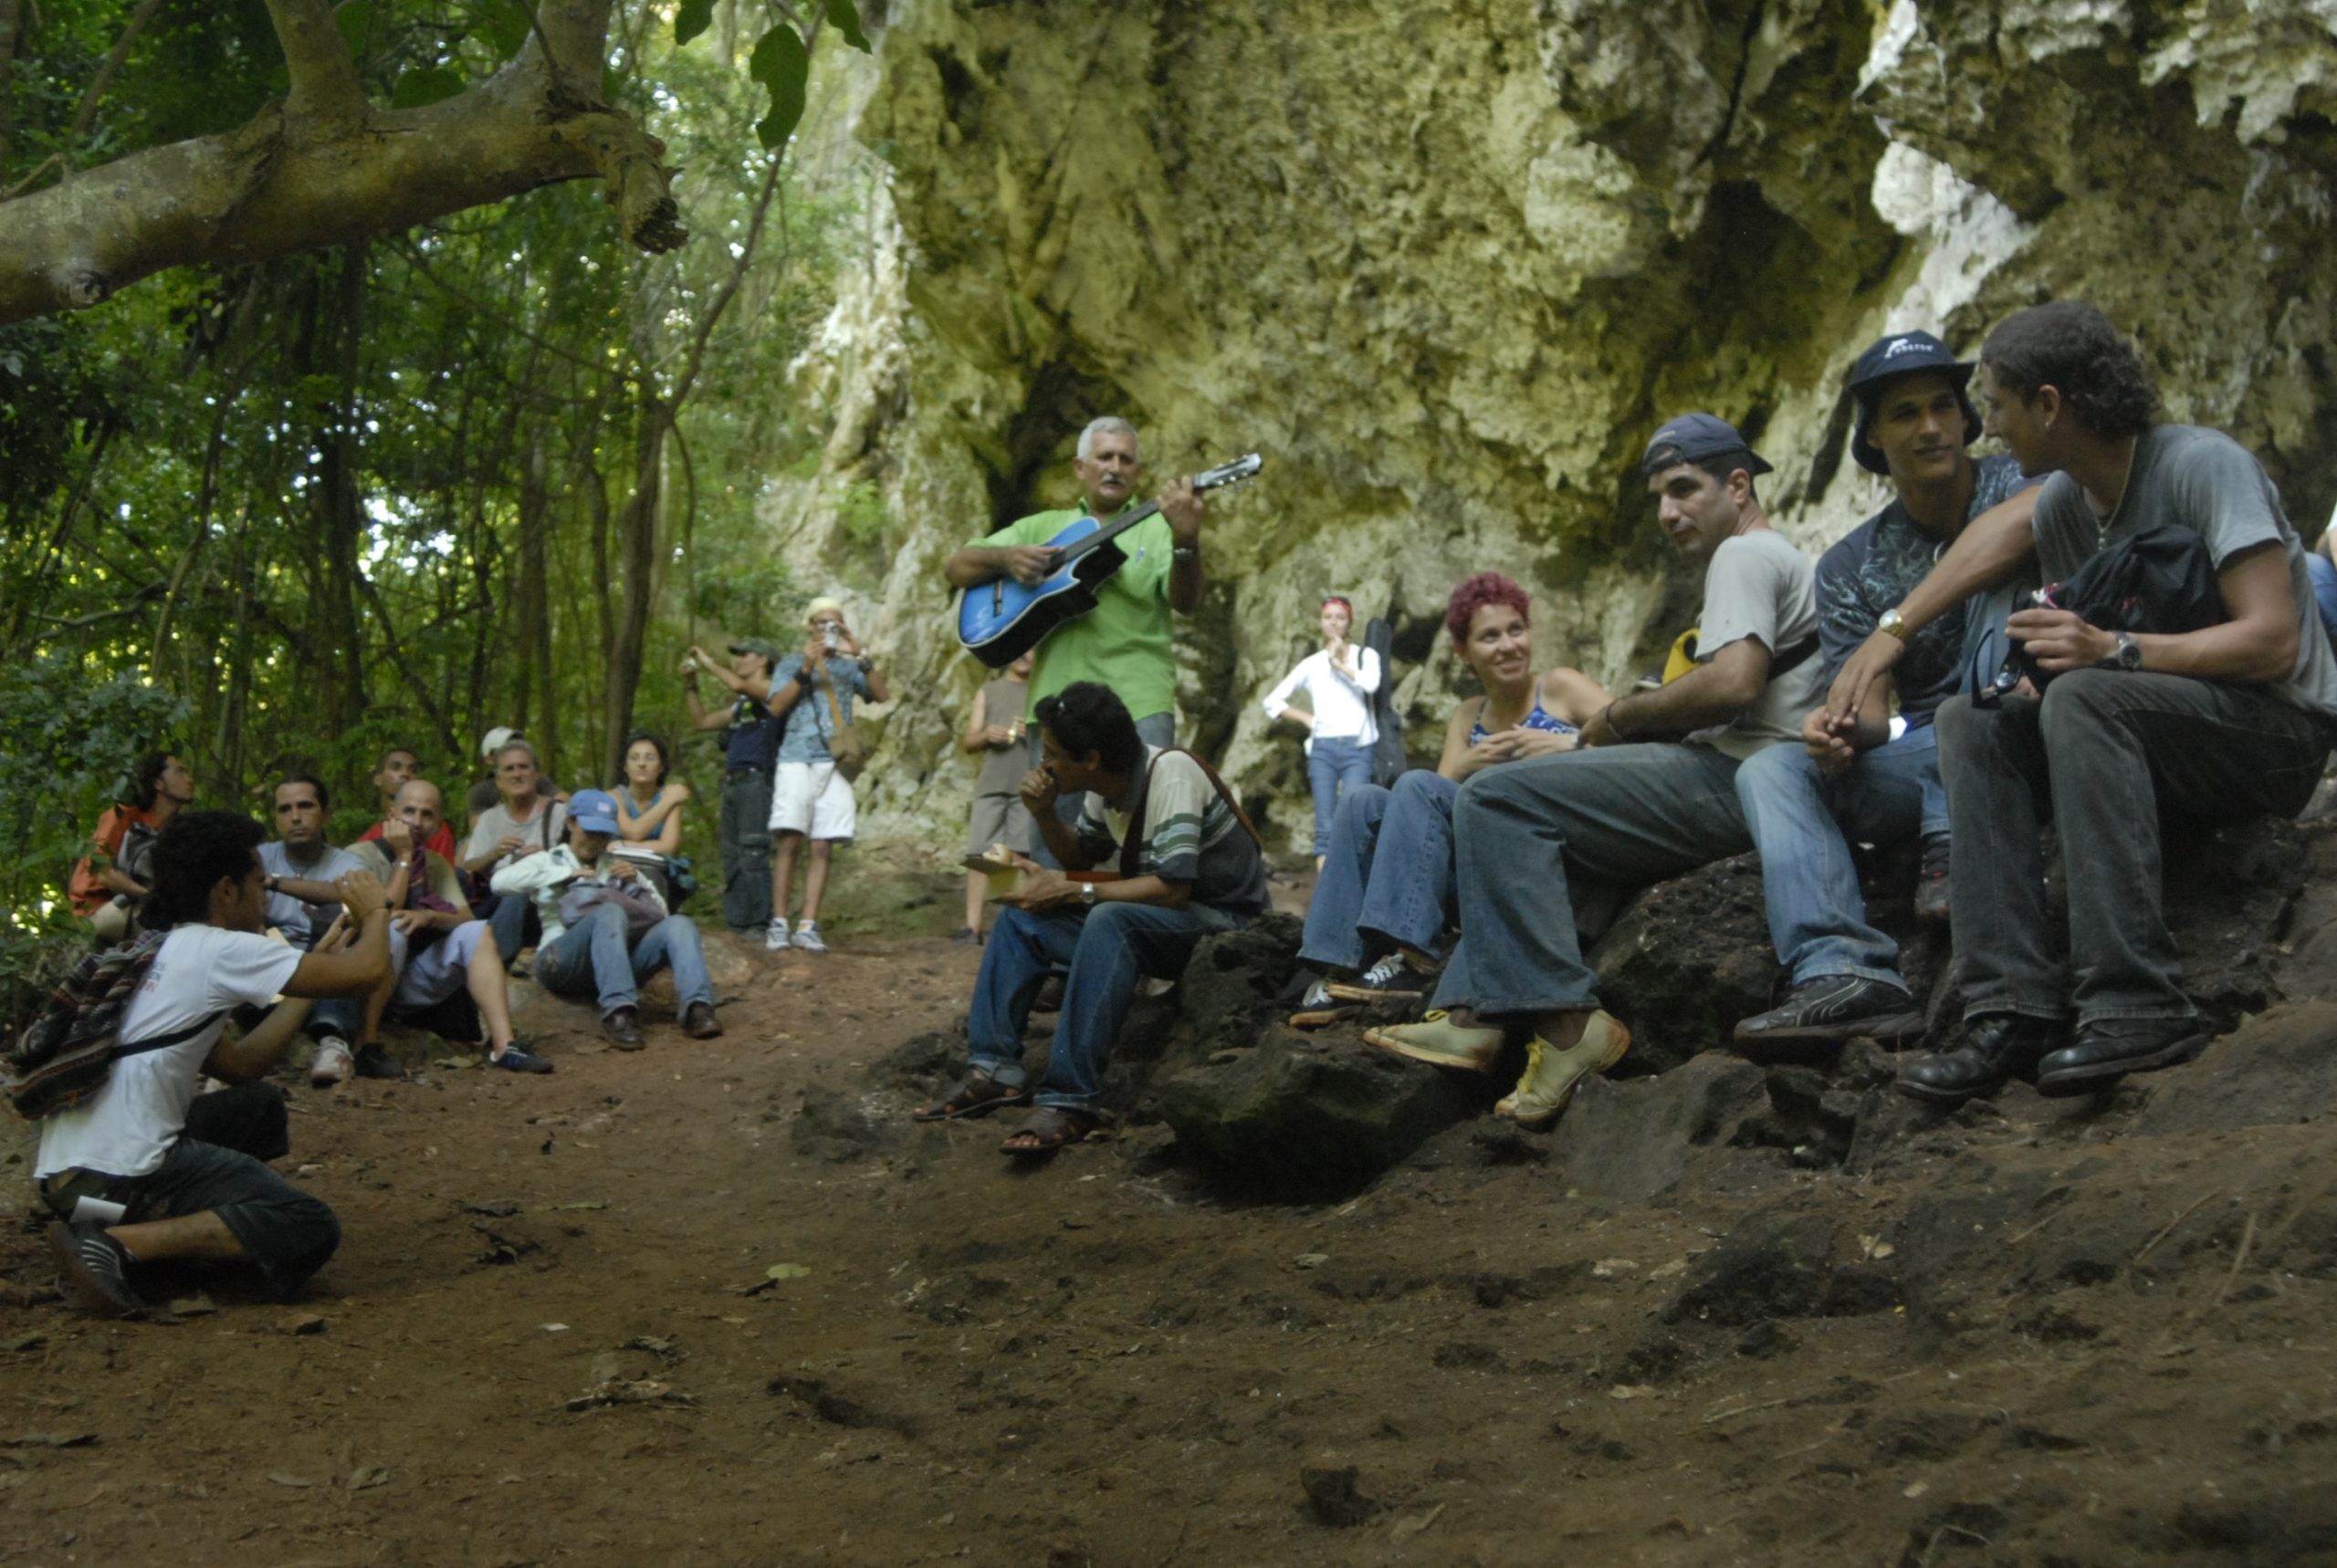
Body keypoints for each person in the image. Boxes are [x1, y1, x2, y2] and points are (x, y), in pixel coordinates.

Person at [1823, 303, 2337, 1103]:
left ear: (2050, 405)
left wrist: (2113, 652)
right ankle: (2008, 1010)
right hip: (2160, 732)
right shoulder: (2067, 506)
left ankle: (2136, 1002)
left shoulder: (2205, 466)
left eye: (1994, 403)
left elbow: (2274, 643)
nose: (1985, 428)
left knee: (2088, 699)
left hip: (2276, 734)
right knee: (1972, 720)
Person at [1367, 414, 1826, 1126]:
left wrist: (1618, 721)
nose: (1668, 513)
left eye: (1683, 490)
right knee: (1564, 840)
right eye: (1659, 499)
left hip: (1743, 779)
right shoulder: (1767, 557)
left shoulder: (1744, 556)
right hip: (1751, 774)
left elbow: (1733, 684)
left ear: (1739, 485)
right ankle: (1472, 1013)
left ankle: (1564, 1029)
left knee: (1495, 798)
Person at [1727, 331, 2041, 1051]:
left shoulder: (2020, 481)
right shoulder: (1849, 565)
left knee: (1992, 641)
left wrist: (1893, 630)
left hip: (2031, 725)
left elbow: (2021, 529)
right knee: (1772, 768)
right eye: (1905, 413)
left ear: (1967, 419)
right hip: (1931, 749)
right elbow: (1871, 715)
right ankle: (1842, 970)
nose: (1930, 426)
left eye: (1942, 407)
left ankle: (1950, 843)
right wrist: (1837, 730)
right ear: (1873, 435)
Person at [37, 810, 393, 1316]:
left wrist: (317, 966)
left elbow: (242, 1065)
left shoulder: (157, 949)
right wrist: (376, 910)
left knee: (257, 1106)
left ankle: (107, 1234)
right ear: (226, 891)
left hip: (71, 1185)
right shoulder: (220, 949)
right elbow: (369, 972)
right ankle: (117, 1247)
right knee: (305, 1223)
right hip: (121, 1178)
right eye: (256, 881)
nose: (265, 893)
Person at [915, 682, 1269, 1155]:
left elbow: (1173, 887)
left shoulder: (1172, 773)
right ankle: (995, 1069)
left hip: (1225, 929)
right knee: (1024, 921)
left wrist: (1077, 890)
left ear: (1092, 759)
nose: (1044, 764)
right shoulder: (1103, 789)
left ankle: (1070, 1099)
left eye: (1055, 754)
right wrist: (1043, 817)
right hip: (1163, 922)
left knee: (1110, 919)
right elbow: (1082, 852)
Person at [1294, 573, 1606, 1017]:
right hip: (1480, 868)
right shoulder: (1468, 716)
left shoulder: (1560, 687)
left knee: (1418, 784)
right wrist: (1465, 766)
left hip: (1549, 863)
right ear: (1464, 651)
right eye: (1490, 636)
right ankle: (1336, 963)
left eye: (1516, 630)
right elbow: (1423, 820)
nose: (1508, 646)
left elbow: (1636, 746)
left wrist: (1568, 744)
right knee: (1363, 800)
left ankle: (1413, 957)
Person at [943, 417, 1209, 854]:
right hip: (1055, 710)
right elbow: (957, 567)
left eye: (1126, 460)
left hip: (1139, 702)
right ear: (1079, 467)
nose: (1115, 467)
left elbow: (1186, 600)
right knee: (1053, 844)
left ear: (1138, 474)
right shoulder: (1041, 527)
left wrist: (1187, 541)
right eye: (1105, 457)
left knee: (1144, 838)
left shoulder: (1158, 527)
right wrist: (1008, 558)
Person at [489, 789, 723, 1048]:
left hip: (619, 962)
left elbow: (662, 916)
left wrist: (636, 882)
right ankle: (619, 1015)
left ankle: (698, 1009)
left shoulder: (616, 865)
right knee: (609, 911)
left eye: (602, 833)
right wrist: (565, 874)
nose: (595, 839)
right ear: (571, 823)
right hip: (561, 961)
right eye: (590, 830)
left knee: (680, 924)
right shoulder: (547, 860)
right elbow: (498, 883)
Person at [351, 780, 546, 1074]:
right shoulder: (361, 855)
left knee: (478, 931)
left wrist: (430, 917)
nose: (417, 822)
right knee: (394, 926)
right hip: (364, 978)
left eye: (427, 815)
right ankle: (367, 1046)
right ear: (390, 813)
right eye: (409, 811)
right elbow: (378, 912)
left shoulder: (435, 863)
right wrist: (404, 857)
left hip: (410, 981)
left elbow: (465, 915)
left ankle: (505, 1046)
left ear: (438, 823)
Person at [760, 598, 889, 955]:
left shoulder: (849, 668)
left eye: (834, 623)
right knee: (790, 840)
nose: (826, 629)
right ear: (809, 627)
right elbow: (775, 706)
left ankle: (808, 925)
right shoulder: (790, 663)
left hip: (834, 762)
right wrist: (806, 667)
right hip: (796, 759)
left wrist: (861, 653)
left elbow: (881, 694)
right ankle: (779, 922)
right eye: (820, 622)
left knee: (823, 844)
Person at [253, 774, 370, 1087]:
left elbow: (354, 896)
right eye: (285, 809)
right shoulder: (260, 857)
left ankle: (332, 1038)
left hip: (326, 964)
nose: (295, 817)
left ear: (325, 814)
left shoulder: (348, 862)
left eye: (305, 806)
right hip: (275, 966)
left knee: (344, 917)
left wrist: (276, 883)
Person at [1263, 594, 1385, 872]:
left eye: (1340, 617)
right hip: (1323, 750)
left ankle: (1356, 885)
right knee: (1325, 824)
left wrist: (1340, 663)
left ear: (1349, 622)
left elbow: (1371, 684)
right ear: (1321, 622)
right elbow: (1273, 701)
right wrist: (1307, 718)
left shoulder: (1365, 656)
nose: (1334, 623)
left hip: (1358, 748)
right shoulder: (1311, 664)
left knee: (1356, 815)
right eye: (1328, 617)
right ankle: (1326, 894)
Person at [685, 639, 783, 936]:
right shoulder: (741, 705)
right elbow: (701, 721)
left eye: (744, 655)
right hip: (733, 782)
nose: (738, 660)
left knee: (754, 851)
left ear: (763, 660)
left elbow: (741, 686)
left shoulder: (775, 691)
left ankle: (759, 923)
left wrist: (708, 662)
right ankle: (738, 923)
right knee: (733, 855)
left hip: (757, 780)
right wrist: (690, 683)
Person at [69, 750, 194, 940]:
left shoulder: (177, 831)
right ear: (158, 783)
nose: (189, 779)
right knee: (177, 933)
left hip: (142, 907)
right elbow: (104, 874)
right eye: (180, 772)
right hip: (98, 909)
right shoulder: (121, 817)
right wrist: (150, 896)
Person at [463, 738, 568, 966]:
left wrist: (545, 856)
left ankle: (492, 963)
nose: (517, 774)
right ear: (499, 781)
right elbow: (469, 870)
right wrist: (493, 855)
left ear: (536, 774)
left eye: (523, 766)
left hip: (538, 902)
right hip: (491, 899)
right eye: (509, 769)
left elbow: (579, 860)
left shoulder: (559, 813)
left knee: (520, 888)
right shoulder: (490, 819)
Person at [959, 649, 1036, 944]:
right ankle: (972, 928)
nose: (1024, 655)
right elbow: (968, 741)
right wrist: (986, 735)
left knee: (1019, 854)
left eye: (1030, 649)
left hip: (1027, 785)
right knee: (981, 852)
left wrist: (1033, 732)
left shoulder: (1042, 691)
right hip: (991, 783)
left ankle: (1013, 926)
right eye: (1019, 649)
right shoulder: (989, 691)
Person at [611, 730, 688, 902]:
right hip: (618, 869)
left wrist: (622, 844)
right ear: (625, 766)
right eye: (634, 758)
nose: (642, 764)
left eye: (650, 758)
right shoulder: (613, 797)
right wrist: (667, 802)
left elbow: (668, 846)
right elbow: (633, 831)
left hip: (656, 872)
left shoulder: (670, 794)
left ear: (661, 767)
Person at [357, 745, 456, 863]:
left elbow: (442, 877)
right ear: (378, 779)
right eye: (396, 767)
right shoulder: (367, 839)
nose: (405, 774)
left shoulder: (435, 831)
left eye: (412, 770)